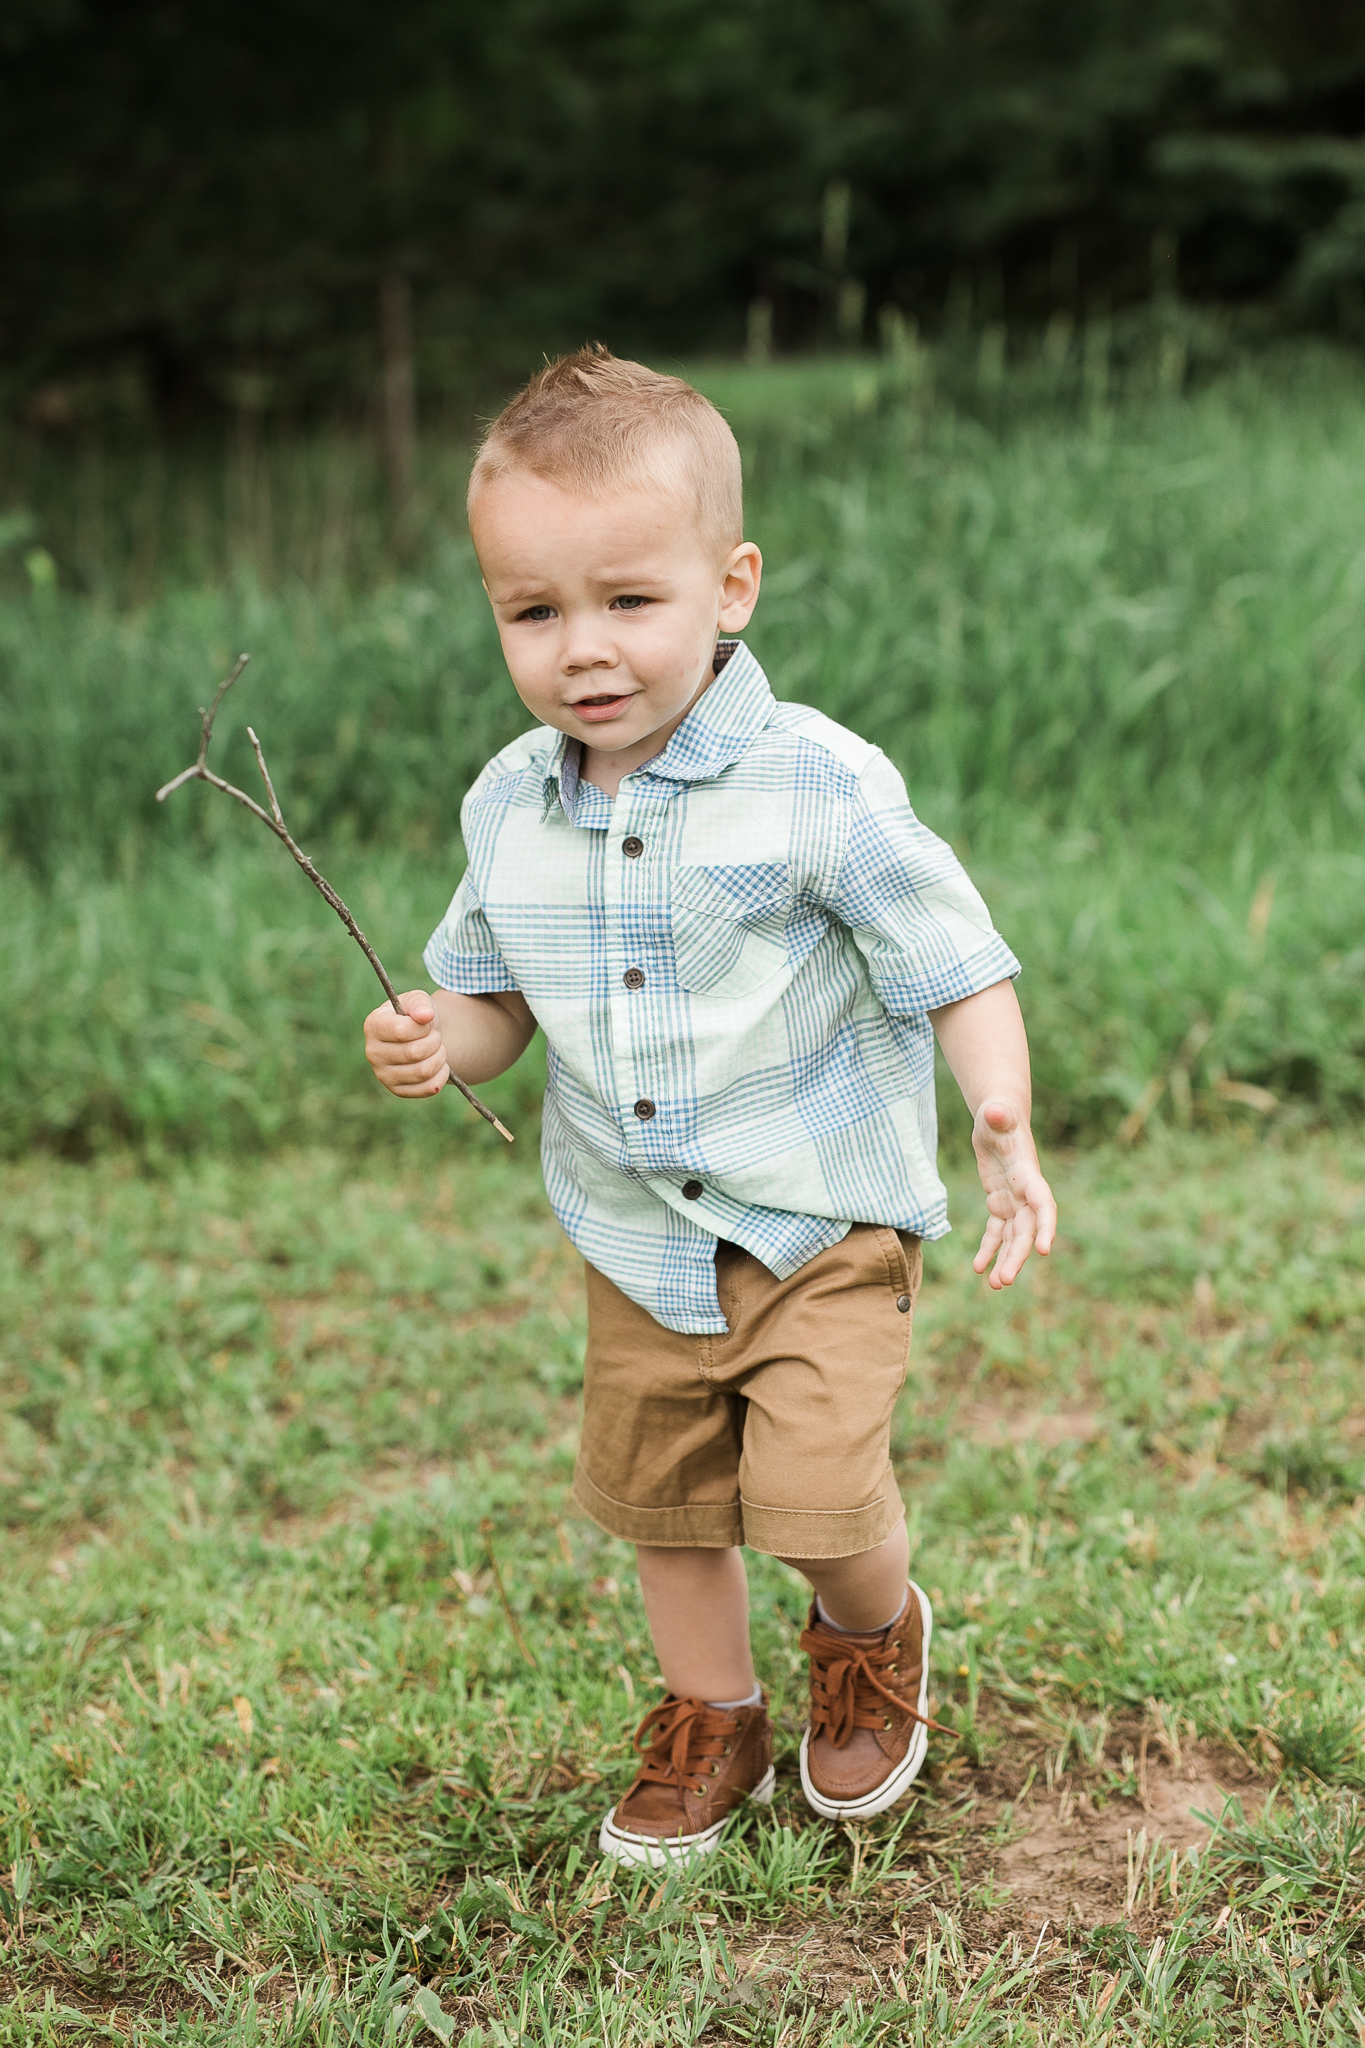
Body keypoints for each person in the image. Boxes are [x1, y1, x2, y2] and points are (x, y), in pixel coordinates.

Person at [364, 344, 1056, 1868]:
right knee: (665, 1506)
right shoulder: (508, 805)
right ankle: (711, 1717)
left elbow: (954, 958)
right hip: (633, 1237)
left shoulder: (814, 783)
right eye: (532, 613)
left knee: (810, 1502)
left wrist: (997, 1116)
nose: (580, 650)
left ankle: (870, 1639)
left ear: (728, 587)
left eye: (627, 601)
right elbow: (498, 996)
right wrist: (442, 1039)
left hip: (821, 1216)